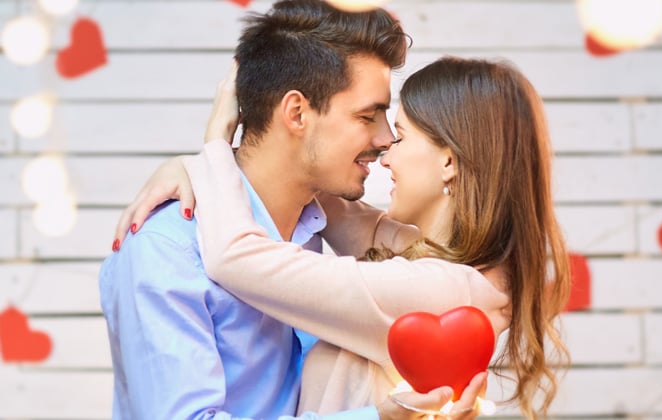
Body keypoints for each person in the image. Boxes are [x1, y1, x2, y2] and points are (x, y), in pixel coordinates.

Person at [117, 57, 572, 419]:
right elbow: (320, 187)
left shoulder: (441, 291)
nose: (383, 149)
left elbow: (235, 258)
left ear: (448, 163)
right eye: (370, 119)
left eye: (401, 136)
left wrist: (214, 143)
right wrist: (206, 165)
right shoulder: (453, 267)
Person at [99, 1, 488, 419]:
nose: (385, 138)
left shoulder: (315, 229)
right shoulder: (167, 250)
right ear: (297, 113)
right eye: (368, 115)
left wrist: (205, 158)